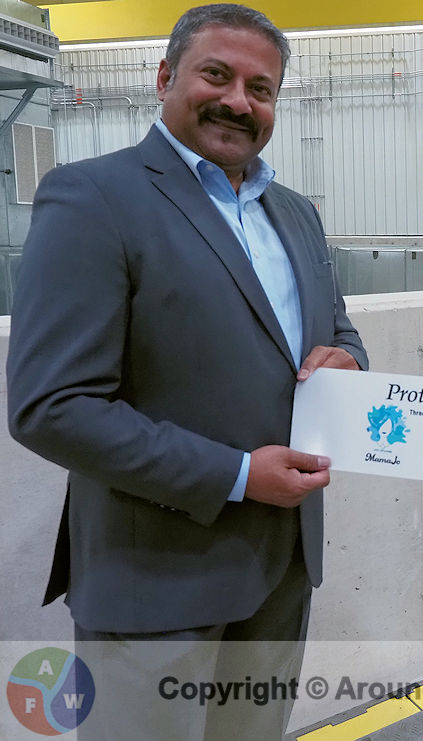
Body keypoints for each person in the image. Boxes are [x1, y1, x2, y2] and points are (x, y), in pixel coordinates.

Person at [5, 4, 367, 739]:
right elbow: (52, 405)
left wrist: (350, 360)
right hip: (156, 580)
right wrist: (238, 474)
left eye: (261, 89)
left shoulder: (296, 213)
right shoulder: (93, 197)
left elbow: (338, 332)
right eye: (217, 75)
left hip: (282, 569)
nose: (239, 101)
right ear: (165, 76)